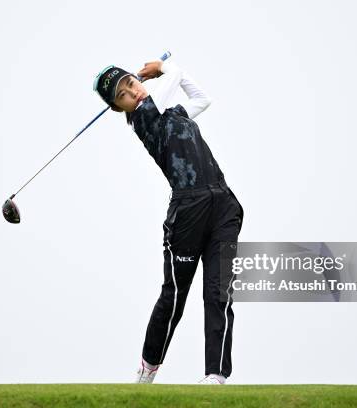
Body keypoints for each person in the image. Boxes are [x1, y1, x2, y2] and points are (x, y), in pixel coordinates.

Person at [93, 57, 244, 385]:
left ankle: (216, 375)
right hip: (188, 212)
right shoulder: (144, 118)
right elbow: (173, 74)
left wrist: (165, 74)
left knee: (219, 292)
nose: (132, 92)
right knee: (175, 295)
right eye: (122, 95)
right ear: (120, 107)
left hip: (223, 205)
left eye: (131, 83)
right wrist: (160, 69)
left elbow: (203, 99)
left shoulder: (171, 112)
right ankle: (148, 369)